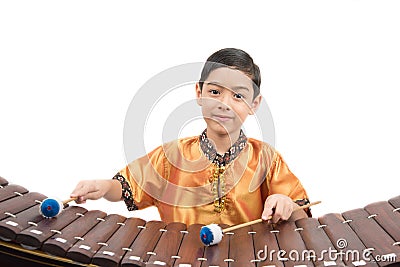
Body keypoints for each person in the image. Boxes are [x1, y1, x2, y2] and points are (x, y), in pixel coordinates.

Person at [71, 48, 311, 226]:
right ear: (199, 92)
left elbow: (301, 212)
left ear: (254, 104)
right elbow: (126, 188)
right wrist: (102, 187)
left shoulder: (266, 158)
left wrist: (284, 201)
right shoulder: (170, 157)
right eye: (215, 92)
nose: (224, 104)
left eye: (238, 96)